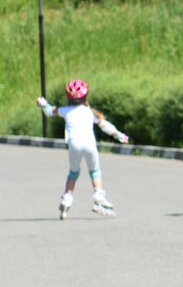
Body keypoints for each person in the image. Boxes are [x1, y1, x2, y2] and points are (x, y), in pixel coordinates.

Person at [37, 79, 129, 218]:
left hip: (74, 145)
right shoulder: (90, 112)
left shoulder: (65, 110)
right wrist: (119, 136)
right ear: (86, 96)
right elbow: (105, 126)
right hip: (89, 144)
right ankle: (98, 196)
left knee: (73, 173)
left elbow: (49, 112)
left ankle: (67, 199)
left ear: (68, 97)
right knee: (94, 170)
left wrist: (43, 104)